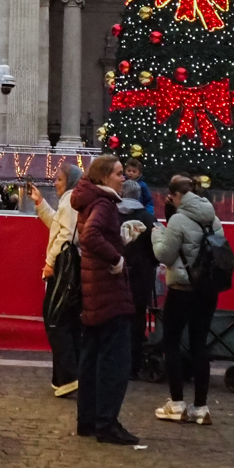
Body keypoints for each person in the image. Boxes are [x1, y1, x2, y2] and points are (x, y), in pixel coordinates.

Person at [69, 156, 139, 444]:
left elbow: (90, 235)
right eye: (119, 174)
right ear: (104, 177)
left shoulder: (90, 200)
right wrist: (118, 257)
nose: (124, 179)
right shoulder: (104, 204)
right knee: (114, 361)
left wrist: (119, 238)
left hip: (93, 291)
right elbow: (92, 235)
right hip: (108, 292)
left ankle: (88, 420)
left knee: (91, 358)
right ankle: (107, 423)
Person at [151, 175, 223, 423]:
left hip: (182, 289)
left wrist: (157, 233)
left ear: (175, 196)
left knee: (171, 343)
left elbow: (164, 254)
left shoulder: (179, 220)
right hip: (207, 289)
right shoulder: (213, 219)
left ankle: (177, 403)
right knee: (199, 345)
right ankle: (201, 408)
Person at [29, 164, 82, 397]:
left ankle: (68, 375)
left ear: (69, 181)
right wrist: (41, 203)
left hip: (63, 268)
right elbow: (57, 225)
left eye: (59, 179)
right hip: (66, 267)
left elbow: (65, 235)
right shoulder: (70, 200)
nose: (55, 183)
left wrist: (50, 262)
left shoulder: (71, 200)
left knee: (56, 319)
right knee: (65, 321)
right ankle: (63, 377)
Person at [117, 173, 157, 378]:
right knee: (137, 318)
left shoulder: (112, 215)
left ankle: (115, 362)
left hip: (117, 274)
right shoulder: (148, 219)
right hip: (142, 276)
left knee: (116, 318)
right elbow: (157, 249)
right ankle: (134, 365)